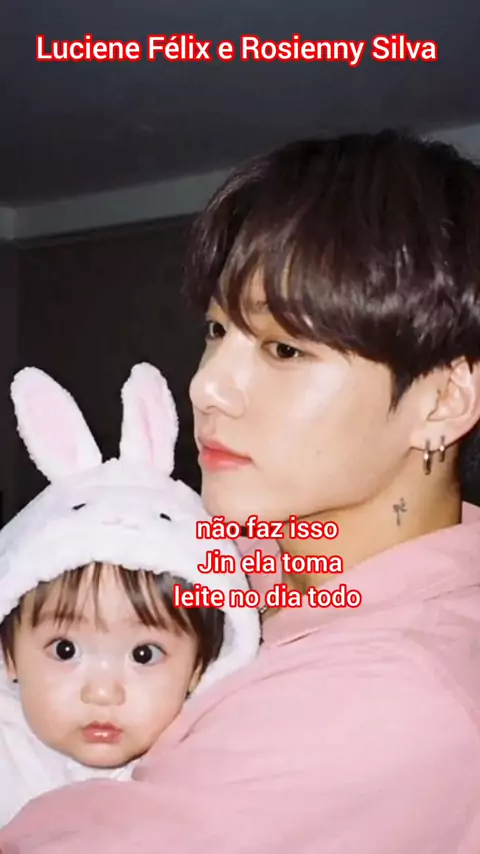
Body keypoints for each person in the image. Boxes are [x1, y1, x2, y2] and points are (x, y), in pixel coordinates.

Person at [1, 129, 480, 853]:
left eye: (284, 349)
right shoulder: (259, 550)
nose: (207, 386)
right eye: (217, 330)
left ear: (443, 400)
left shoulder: (392, 699)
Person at [0, 362, 259, 826]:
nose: (102, 692)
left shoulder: (207, 769)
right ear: (9, 655)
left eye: (144, 654)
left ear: (200, 667)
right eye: (65, 649)